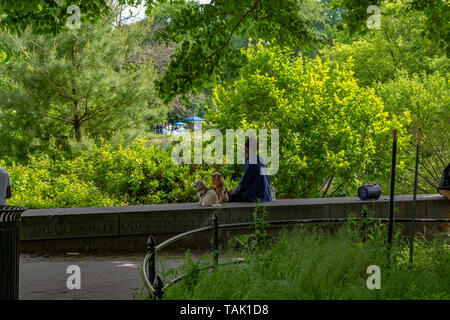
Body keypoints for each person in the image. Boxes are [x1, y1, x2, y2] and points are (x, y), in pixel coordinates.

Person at [227, 136, 272, 202]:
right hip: (266, 196)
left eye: (244, 149)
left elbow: (244, 184)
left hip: (256, 197)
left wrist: (233, 192)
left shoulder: (252, 162)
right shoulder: (261, 160)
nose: (243, 151)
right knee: (231, 192)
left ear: (248, 149)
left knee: (229, 196)